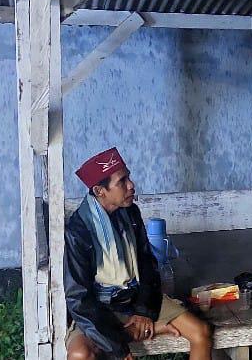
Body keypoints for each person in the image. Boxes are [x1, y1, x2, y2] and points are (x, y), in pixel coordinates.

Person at [65, 147, 212, 360]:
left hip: (136, 298)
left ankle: (136, 329)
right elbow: (78, 298)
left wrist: (143, 311)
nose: (131, 185)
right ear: (99, 191)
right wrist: (118, 349)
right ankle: (135, 332)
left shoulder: (130, 212)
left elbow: (147, 264)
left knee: (201, 333)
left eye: (129, 177)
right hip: (100, 308)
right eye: (122, 181)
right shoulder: (79, 230)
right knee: (80, 354)